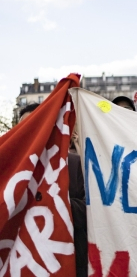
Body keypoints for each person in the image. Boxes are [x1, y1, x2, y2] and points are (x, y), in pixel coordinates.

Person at [19, 103, 87, 277]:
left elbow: (91, 212)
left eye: (36, 126)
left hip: (68, 264)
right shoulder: (12, 171)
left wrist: (54, 203)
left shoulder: (73, 164)